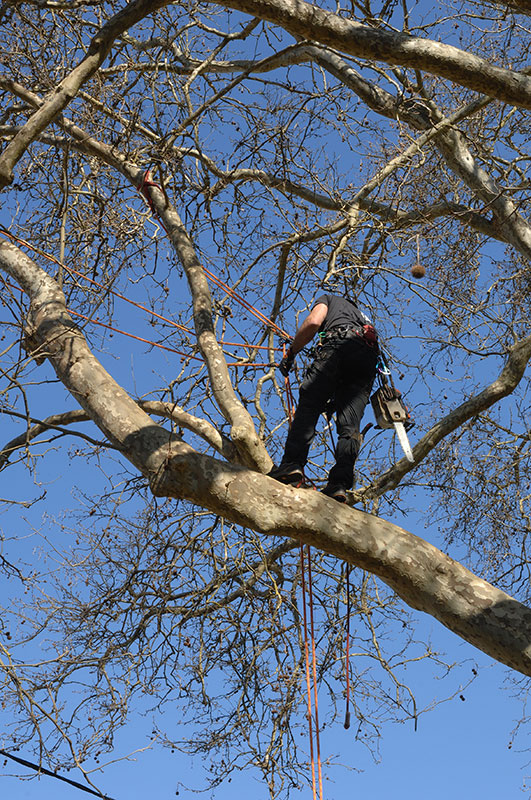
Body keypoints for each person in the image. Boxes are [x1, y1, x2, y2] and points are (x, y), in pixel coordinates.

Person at [269, 293, 379, 503]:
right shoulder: (363, 318)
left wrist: (291, 353)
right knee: (350, 426)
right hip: (367, 361)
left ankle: (292, 464)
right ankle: (339, 484)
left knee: (310, 404)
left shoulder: (329, 299)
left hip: (338, 345)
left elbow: (313, 322)